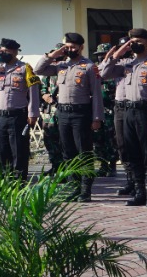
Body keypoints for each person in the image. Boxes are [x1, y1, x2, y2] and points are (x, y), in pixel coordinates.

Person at [100, 29, 147, 207]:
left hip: (144, 111)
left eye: (138, 40)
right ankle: (139, 192)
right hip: (127, 112)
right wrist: (116, 54)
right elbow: (103, 73)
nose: (134, 44)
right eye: (131, 41)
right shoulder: (126, 64)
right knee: (132, 153)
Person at [34, 33, 104, 201]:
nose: (70, 50)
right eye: (68, 47)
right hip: (63, 113)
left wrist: (96, 118)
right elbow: (38, 69)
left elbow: (96, 94)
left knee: (83, 152)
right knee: (68, 153)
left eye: (73, 47)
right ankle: (74, 187)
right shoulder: (61, 65)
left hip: (81, 113)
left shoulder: (88, 66)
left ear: (81, 47)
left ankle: (85, 189)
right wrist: (53, 55)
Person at [0, 38, 41, 179]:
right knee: (3, 150)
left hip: (18, 115)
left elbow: (34, 91)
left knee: (18, 150)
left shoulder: (25, 68)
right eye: (1, 50)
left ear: (15, 52)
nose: (3, 53)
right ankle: (7, 179)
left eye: (6, 51)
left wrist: (33, 113)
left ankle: (19, 180)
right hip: (2, 116)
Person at [92, 42, 120, 179]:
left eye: (104, 55)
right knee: (98, 140)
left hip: (112, 110)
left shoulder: (115, 70)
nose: (101, 58)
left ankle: (112, 165)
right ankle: (103, 165)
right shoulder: (94, 70)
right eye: (99, 56)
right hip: (98, 110)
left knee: (111, 140)